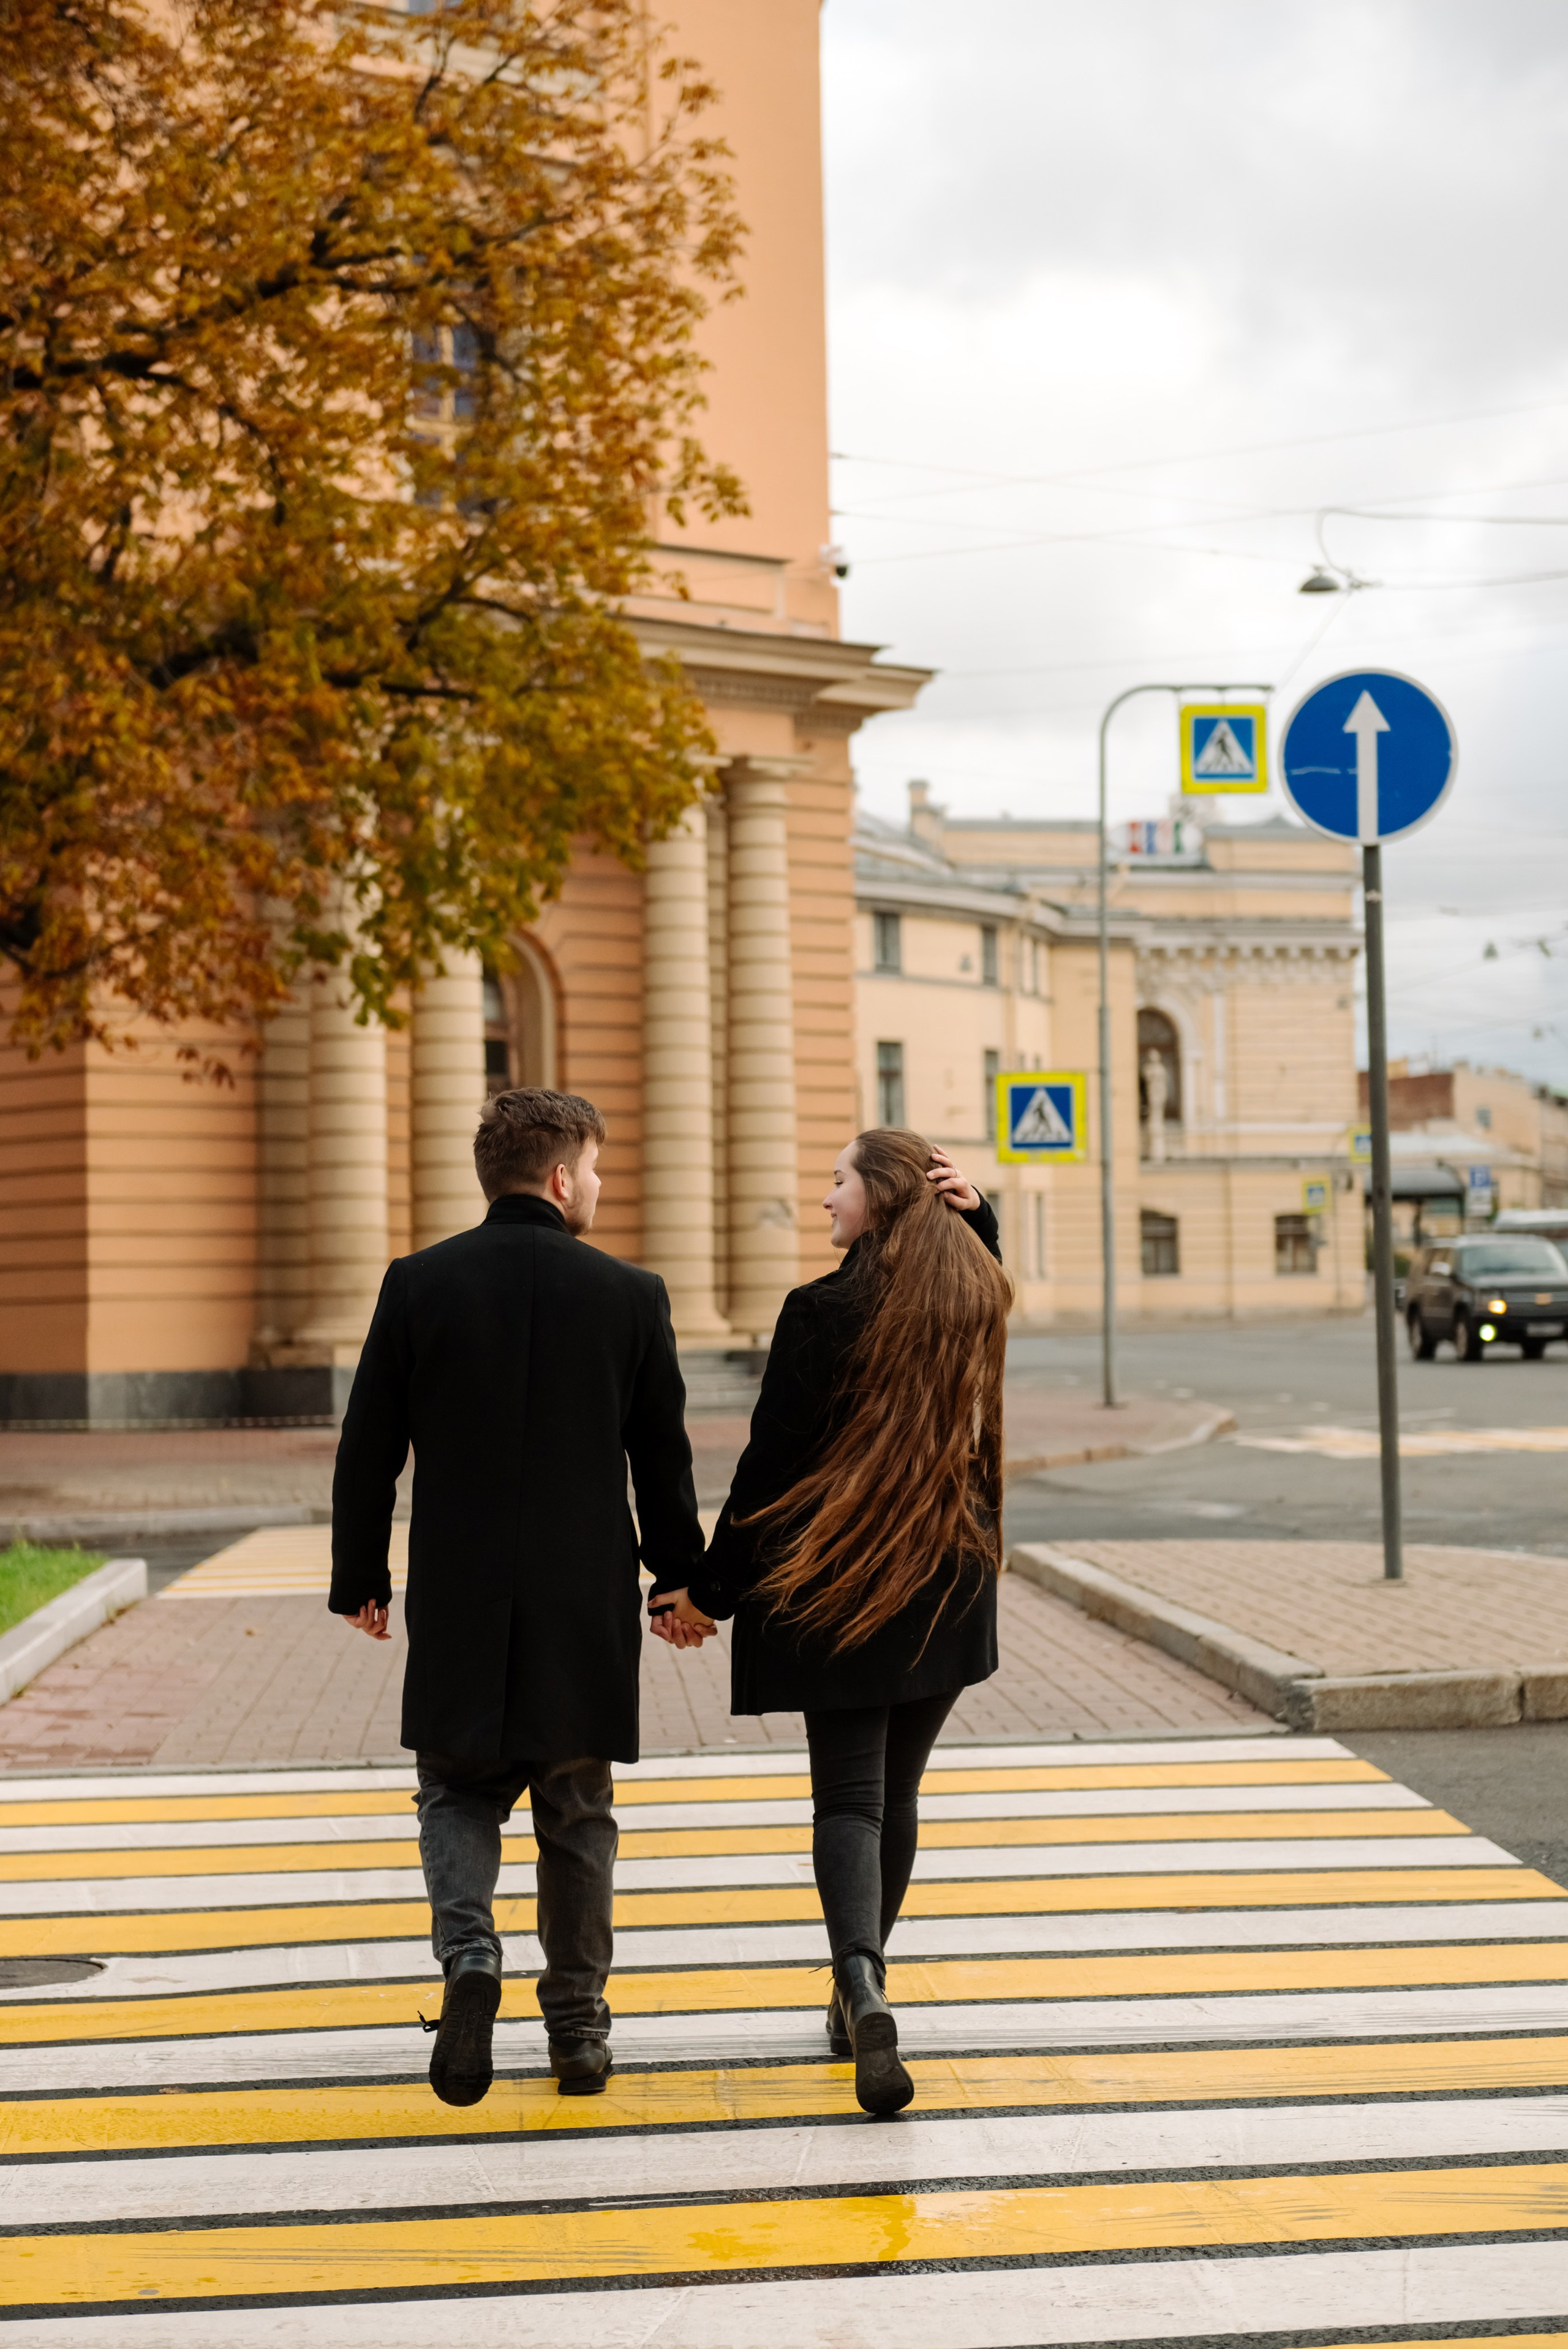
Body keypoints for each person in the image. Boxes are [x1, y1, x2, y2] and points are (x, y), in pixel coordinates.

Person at [330, 1087, 704, 2108]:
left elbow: (369, 1446)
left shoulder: (418, 1284)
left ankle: (470, 1960)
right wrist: (678, 1582)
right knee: (577, 1813)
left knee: (455, 1788)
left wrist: (361, 1576)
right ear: (559, 1177)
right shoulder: (632, 1295)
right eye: (595, 1166)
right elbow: (660, 1463)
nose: (601, 1182)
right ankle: (578, 2027)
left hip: (458, 1593)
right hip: (582, 1605)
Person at [650, 1129, 1011, 2116]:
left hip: (843, 1581)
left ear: (884, 1195)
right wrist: (980, 1218)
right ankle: (865, 1985)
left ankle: (858, 1978)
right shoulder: (966, 1296)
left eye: (839, 1182)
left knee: (849, 1801)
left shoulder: (819, 1311)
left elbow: (768, 1470)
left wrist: (705, 1590)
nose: (825, 1200)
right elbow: (987, 1273)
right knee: (896, 1797)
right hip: (948, 1578)